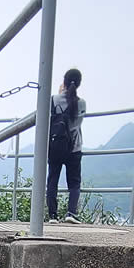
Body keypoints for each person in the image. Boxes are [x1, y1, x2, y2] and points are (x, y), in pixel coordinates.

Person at [46, 67, 86, 223]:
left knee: (52, 180)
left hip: (55, 146)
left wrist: (59, 92)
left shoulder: (53, 100)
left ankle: (53, 216)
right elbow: (76, 124)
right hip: (74, 147)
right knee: (74, 183)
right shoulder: (81, 103)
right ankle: (71, 213)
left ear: (64, 81)